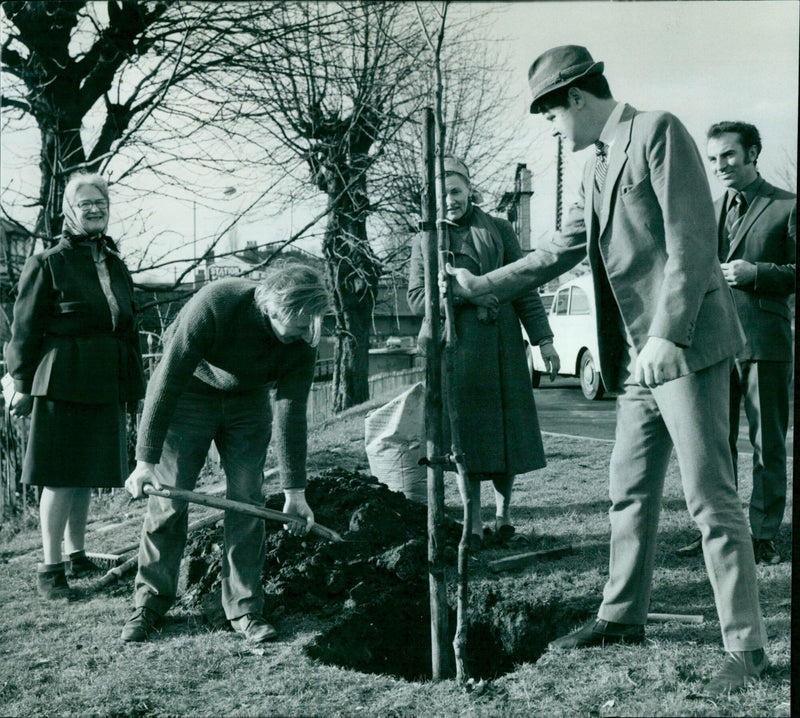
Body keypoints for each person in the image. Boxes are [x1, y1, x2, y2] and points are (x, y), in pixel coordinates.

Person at [445, 46, 768, 695]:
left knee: (710, 498)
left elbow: (691, 240)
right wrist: (482, 283)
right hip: (639, 362)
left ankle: (747, 647)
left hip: (685, 347)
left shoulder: (657, 132)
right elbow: (555, 252)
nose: (553, 130)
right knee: (628, 487)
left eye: (552, 116)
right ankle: (622, 616)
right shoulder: (594, 169)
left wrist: (669, 334)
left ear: (579, 100)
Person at [120, 263, 331, 644]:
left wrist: (294, 493)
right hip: (190, 392)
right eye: (300, 324)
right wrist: (145, 461)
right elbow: (166, 379)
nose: (307, 332)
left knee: (247, 499)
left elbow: (291, 411)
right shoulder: (217, 303)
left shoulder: (305, 338)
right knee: (169, 498)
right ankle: (150, 601)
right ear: (272, 309)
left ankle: (245, 607)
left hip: (248, 402)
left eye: (312, 324)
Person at [407, 156, 560, 549]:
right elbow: (416, 297)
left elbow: (524, 286)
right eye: (441, 196)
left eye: (456, 192)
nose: (449, 202)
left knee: (506, 437)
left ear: (469, 190)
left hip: (504, 348)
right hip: (458, 353)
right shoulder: (425, 240)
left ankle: (503, 516)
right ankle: (472, 522)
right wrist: (458, 294)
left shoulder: (499, 229)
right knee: (466, 439)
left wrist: (544, 340)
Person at [6, 172, 145, 599]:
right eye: (85, 203)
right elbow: (23, 329)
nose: (94, 208)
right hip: (62, 380)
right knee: (61, 478)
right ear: (69, 210)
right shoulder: (48, 262)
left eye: (100, 202)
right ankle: (50, 570)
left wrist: (133, 388)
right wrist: (21, 381)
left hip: (103, 380)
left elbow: (128, 330)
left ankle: (76, 554)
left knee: (85, 476)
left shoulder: (115, 263)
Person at [676, 122, 795, 564]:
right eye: (712, 158)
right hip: (714, 345)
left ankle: (762, 536)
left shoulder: (787, 206)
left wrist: (758, 273)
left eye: (728, 155)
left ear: (753, 153)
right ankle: (718, 531)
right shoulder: (706, 209)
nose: (719, 165)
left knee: (768, 445)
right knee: (713, 444)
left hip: (766, 342)